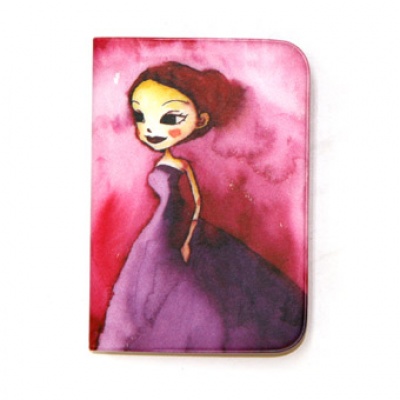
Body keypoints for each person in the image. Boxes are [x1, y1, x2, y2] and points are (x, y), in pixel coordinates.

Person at [98, 62, 305, 353]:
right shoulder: (171, 160)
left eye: (170, 117)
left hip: (174, 236)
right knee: (145, 296)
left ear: (200, 120)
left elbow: (193, 204)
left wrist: (186, 242)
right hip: (158, 235)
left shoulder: (185, 167)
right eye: (141, 116)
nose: (150, 128)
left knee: (182, 298)